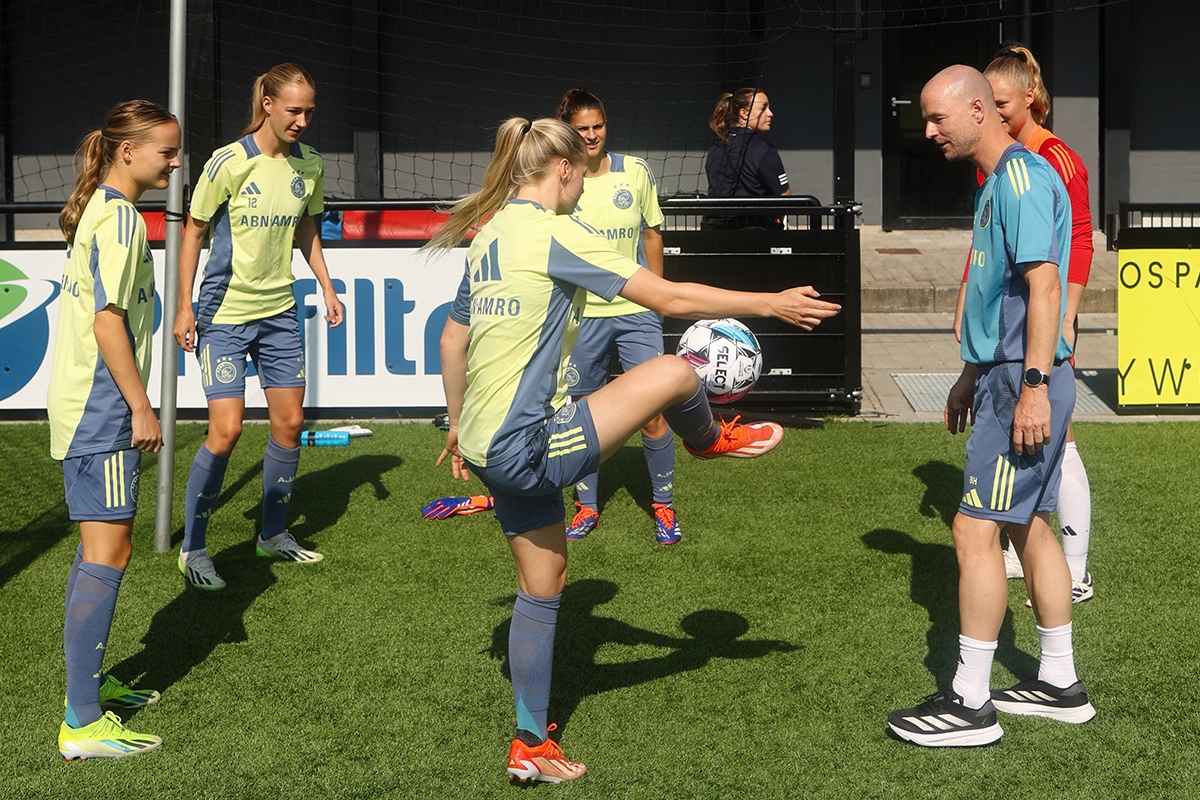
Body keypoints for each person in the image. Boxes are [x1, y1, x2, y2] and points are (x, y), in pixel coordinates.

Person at [426, 116, 840, 782]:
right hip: (523, 444)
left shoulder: (491, 234)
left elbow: (453, 340)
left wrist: (454, 422)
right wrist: (773, 304)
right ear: (562, 170)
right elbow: (670, 295)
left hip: (480, 440)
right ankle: (710, 439)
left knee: (545, 582)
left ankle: (529, 745)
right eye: (579, 176)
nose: (583, 186)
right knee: (678, 372)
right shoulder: (554, 234)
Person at [888, 66, 1095, 748]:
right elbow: (997, 292)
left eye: (937, 117)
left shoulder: (1025, 177)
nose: (929, 131)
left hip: (1024, 381)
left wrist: (1030, 385)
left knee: (972, 528)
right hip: (1003, 375)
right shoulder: (997, 184)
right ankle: (1060, 683)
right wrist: (968, 374)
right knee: (1029, 525)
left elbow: (1043, 286)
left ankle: (971, 702)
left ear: (979, 110)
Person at [173, 63, 344, 589]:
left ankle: (272, 536)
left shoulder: (310, 164)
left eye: (310, 111)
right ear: (267, 104)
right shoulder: (227, 162)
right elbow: (193, 232)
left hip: (279, 313)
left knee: (288, 425)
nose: (303, 121)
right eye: (294, 110)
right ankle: (194, 548)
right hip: (223, 314)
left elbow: (307, 225)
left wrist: (326, 283)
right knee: (224, 432)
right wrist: (184, 306)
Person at [49, 100, 181, 759]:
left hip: (84, 405)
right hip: (101, 409)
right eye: (166, 150)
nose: (175, 161)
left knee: (97, 551)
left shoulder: (103, 208)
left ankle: (88, 692)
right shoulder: (122, 220)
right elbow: (108, 323)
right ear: (127, 151)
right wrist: (141, 406)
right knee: (110, 553)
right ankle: (80, 722)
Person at [953, 44, 1095, 603]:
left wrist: (1067, 321)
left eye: (1002, 101)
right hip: (1012, 350)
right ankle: (1059, 678)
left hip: (1032, 349)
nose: (997, 109)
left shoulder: (1043, 165)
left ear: (1026, 99)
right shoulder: (997, 171)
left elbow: (1070, 248)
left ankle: (1078, 565)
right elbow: (992, 248)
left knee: (1052, 460)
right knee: (1025, 519)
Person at [552, 87, 678, 544]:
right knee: (581, 414)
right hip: (581, 315)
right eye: (581, 128)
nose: (591, 135)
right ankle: (587, 507)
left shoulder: (635, 171)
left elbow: (652, 237)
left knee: (652, 411)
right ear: (567, 129)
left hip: (635, 311)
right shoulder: (558, 178)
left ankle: (663, 504)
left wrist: (658, 298)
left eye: (597, 126)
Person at [703, 87, 790, 229]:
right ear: (743, 113)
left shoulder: (715, 147)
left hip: (714, 232)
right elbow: (784, 198)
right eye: (763, 108)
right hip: (754, 233)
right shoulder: (764, 149)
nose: (770, 114)